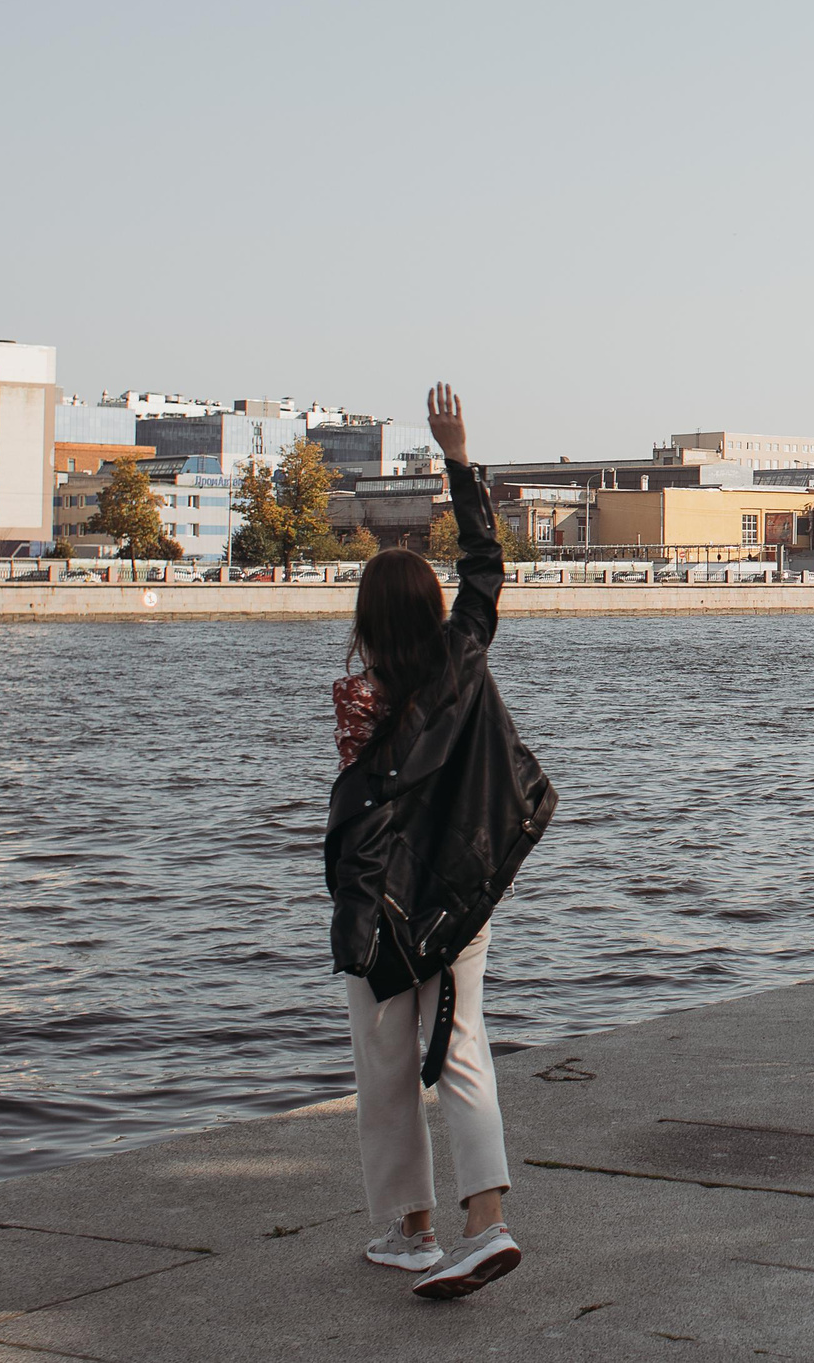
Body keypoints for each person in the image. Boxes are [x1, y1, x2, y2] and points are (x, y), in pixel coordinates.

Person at [324, 383, 559, 1300]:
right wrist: (458, 456)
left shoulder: (361, 711)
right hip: (463, 896)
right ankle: (484, 1221)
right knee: (461, 1049)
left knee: (384, 1065)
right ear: (429, 612)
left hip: (389, 911)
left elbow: (360, 834)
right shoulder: (464, 658)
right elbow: (487, 565)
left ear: (368, 627)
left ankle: (413, 1230)